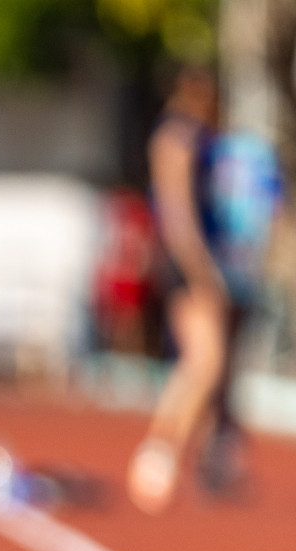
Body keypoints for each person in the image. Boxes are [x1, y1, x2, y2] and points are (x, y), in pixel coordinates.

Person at [128, 66, 279, 512]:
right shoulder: (177, 136)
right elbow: (178, 212)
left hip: (206, 261)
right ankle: (159, 452)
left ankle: (211, 457)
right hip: (190, 263)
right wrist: (201, 269)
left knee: (219, 366)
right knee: (206, 362)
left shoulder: (203, 140)